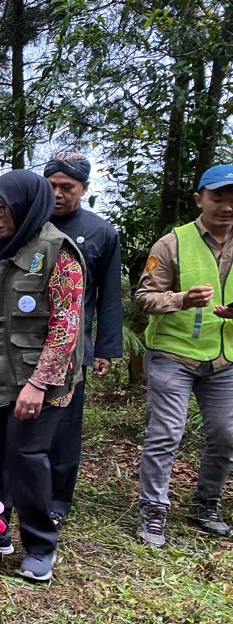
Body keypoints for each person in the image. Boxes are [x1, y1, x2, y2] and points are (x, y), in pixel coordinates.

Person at [0, 170, 85, 582]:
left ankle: (42, 546)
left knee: (27, 459)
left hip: (41, 382)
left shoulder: (58, 252)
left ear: (25, 206)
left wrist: (39, 384)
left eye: (1, 209)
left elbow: (66, 326)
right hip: (0, 377)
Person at [134, 164, 233, 547]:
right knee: (166, 433)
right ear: (200, 199)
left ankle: (206, 504)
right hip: (173, 354)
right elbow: (144, 297)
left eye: (232, 198)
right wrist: (181, 299)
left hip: (224, 356)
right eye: (218, 197)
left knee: (226, 436)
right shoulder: (172, 244)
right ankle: (153, 510)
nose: (226, 206)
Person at [43, 152, 124, 524]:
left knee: (65, 425)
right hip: (23, 342)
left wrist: (105, 349)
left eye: (67, 187)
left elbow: (109, 295)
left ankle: (58, 498)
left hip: (73, 347)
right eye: (51, 185)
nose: (57, 193)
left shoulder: (100, 232)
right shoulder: (29, 221)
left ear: (84, 189)